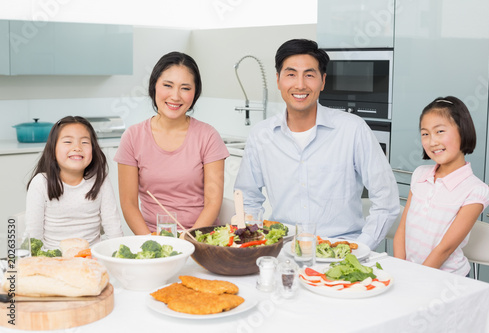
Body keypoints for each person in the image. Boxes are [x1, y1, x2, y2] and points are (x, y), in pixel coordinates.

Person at [234, 39, 400, 250]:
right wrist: (254, 241)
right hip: (283, 249)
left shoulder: (353, 130)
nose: (300, 85)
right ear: (278, 80)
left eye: (309, 75)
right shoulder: (261, 135)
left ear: (322, 81)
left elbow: (386, 201)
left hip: (340, 249)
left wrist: (361, 247)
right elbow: (247, 198)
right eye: (291, 74)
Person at [114, 52, 229, 234]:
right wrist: (151, 242)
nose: (175, 96)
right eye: (168, 85)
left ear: (195, 93)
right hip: (153, 236)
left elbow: (213, 202)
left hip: (201, 238)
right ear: (154, 86)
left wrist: (188, 241)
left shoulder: (208, 136)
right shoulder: (132, 137)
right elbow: (129, 204)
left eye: (185, 88)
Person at [394, 96, 489, 276]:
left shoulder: (475, 190)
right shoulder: (420, 174)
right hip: (409, 273)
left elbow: (445, 249)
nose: (432, 142)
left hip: (446, 279)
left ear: (462, 131)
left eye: (440, 131)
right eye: (425, 134)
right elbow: (402, 229)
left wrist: (414, 278)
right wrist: (401, 271)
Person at [25, 116, 123, 249]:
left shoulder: (100, 180)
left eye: (84, 142)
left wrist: (117, 256)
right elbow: (33, 239)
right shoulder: (41, 183)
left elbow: (114, 228)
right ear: (53, 150)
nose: (77, 147)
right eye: (68, 142)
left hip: (91, 260)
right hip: (53, 261)